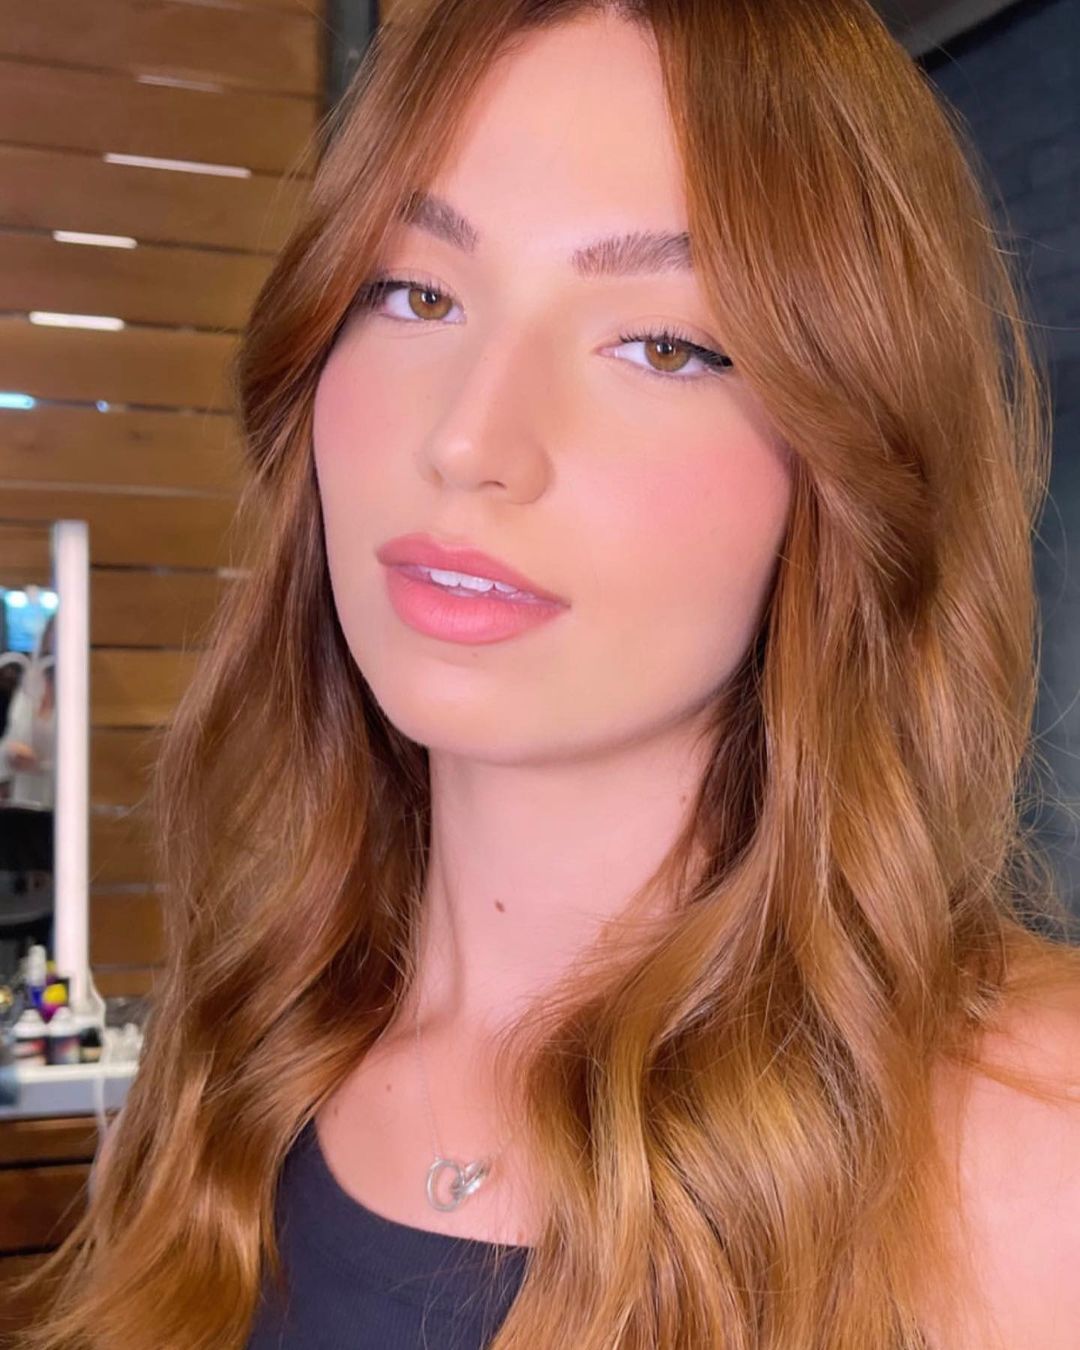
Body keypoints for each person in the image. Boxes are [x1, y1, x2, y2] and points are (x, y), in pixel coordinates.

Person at [17, 1, 1080, 1347]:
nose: (470, 439)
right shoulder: (229, 1067)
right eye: (418, 293)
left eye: (662, 345)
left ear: (853, 464)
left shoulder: (1035, 1154)